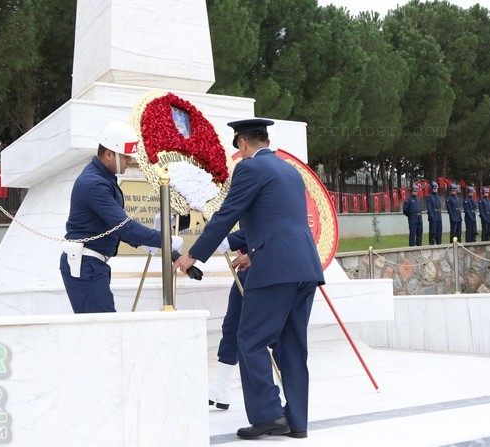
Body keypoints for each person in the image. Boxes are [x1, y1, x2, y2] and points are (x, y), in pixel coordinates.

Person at [172, 118, 325, 440]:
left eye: (237, 149)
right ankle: (297, 422)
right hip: (304, 267)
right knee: (293, 347)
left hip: (274, 271)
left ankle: (269, 415)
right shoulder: (289, 170)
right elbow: (279, 220)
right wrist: (254, 251)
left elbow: (227, 214)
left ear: (242, 143)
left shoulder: (249, 169)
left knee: (251, 340)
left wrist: (192, 256)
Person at [59, 120, 183, 313]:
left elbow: (115, 228)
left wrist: (149, 242)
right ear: (109, 154)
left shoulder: (103, 179)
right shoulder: (95, 184)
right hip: (86, 265)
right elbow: (124, 227)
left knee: (102, 329)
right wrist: (165, 240)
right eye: (126, 157)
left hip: (91, 265)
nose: (130, 162)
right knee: (102, 331)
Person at [208, 230, 248, 411]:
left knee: (267, 335)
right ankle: (220, 388)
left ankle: (280, 394)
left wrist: (227, 239)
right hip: (246, 271)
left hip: (270, 270)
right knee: (231, 327)